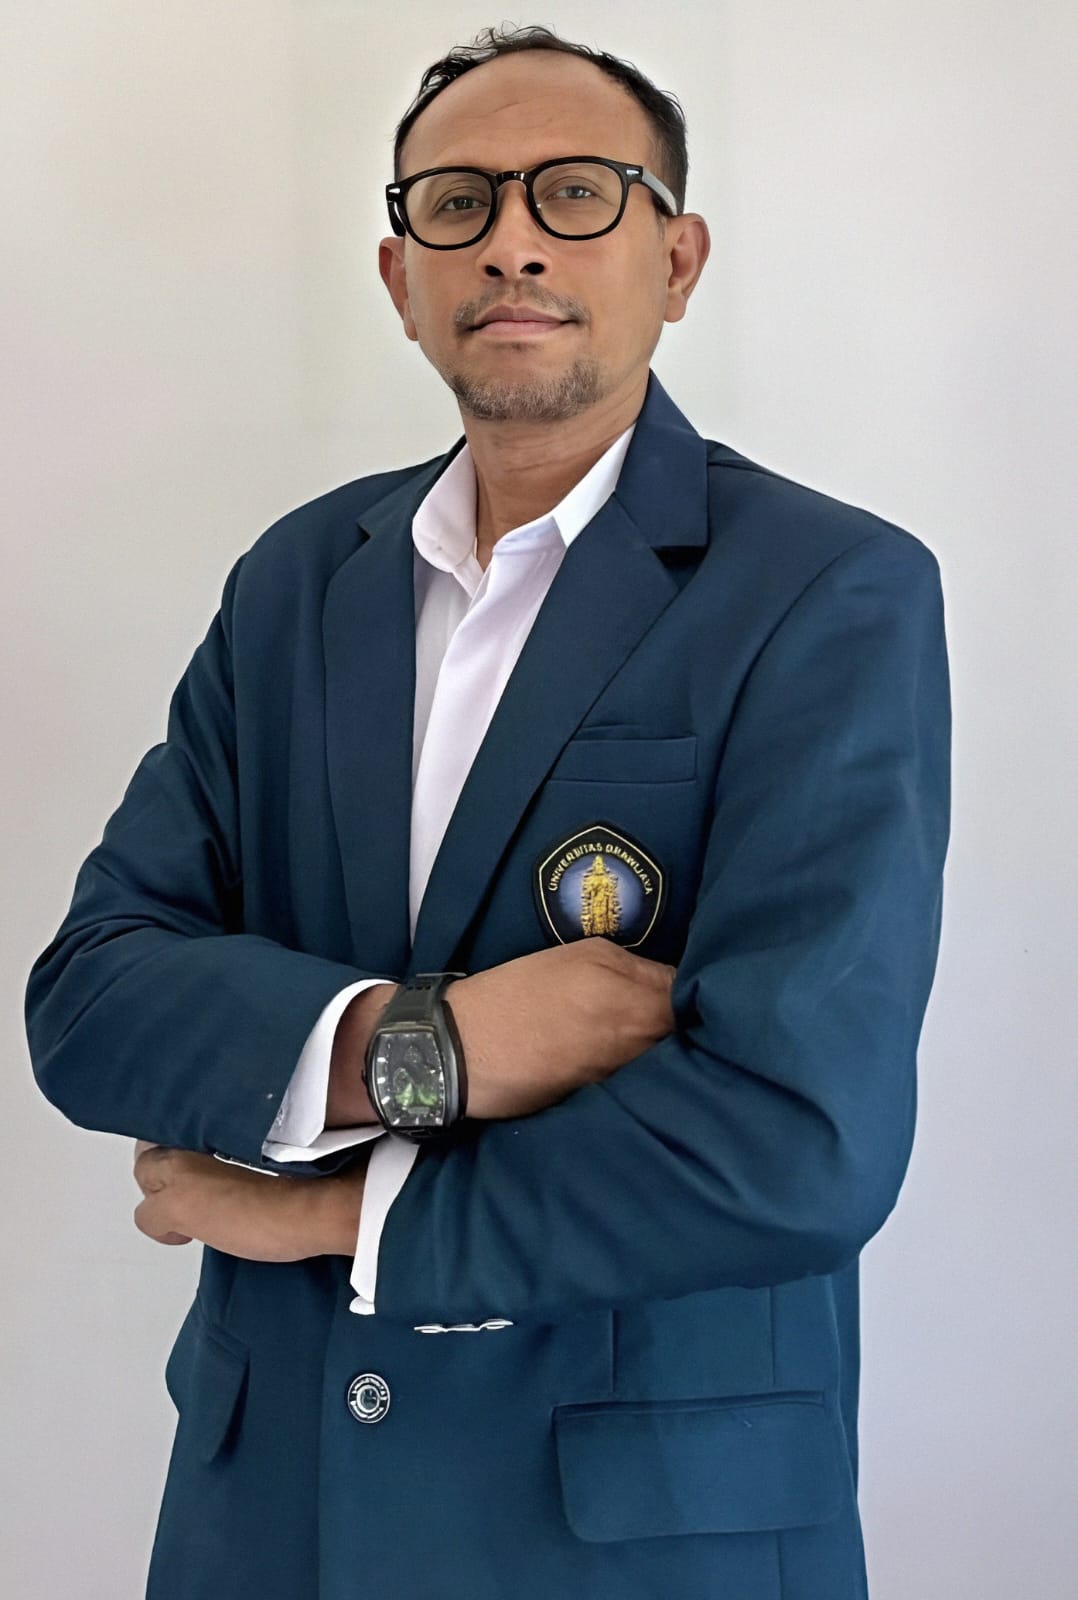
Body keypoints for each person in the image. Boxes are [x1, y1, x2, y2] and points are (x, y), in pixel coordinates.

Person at [25, 22, 950, 1600]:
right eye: (457, 202)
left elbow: (798, 1142)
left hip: (639, 1534)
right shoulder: (295, 583)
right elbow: (93, 1001)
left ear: (677, 258)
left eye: (575, 192)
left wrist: (335, 1215)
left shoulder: (826, 589)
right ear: (401, 278)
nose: (511, 239)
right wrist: (431, 1044)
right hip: (277, 1513)